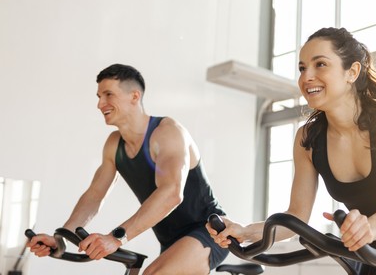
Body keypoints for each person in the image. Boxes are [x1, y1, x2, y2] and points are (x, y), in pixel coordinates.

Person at [207, 27, 376, 275]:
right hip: (369, 243)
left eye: (320, 65)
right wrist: (245, 231)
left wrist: (368, 228)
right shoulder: (308, 139)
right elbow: (296, 219)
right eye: (303, 68)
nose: (307, 77)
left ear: (352, 72)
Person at [27, 64, 228, 275]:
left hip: (209, 231)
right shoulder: (114, 144)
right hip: (171, 240)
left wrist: (116, 237)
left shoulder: (167, 133)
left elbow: (171, 193)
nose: (99, 104)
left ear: (134, 96)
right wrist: (62, 237)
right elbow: (95, 195)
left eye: (108, 95)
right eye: (98, 96)